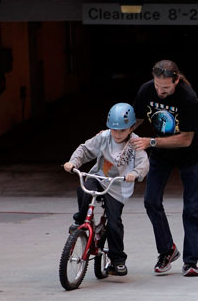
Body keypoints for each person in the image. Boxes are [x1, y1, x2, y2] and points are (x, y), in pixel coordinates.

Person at [131, 59, 198, 276]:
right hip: (162, 155)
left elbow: (186, 139)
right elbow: (135, 120)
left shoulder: (187, 97)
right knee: (151, 201)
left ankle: (191, 262)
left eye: (165, 87)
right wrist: (113, 133)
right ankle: (167, 250)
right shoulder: (146, 90)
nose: (160, 91)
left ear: (176, 81)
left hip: (190, 156)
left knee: (192, 208)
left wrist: (150, 142)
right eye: (157, 85)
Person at [63, 103, 149, 276]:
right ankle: (80, 220)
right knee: (84, 189)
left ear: (131, 128)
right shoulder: (104, 137)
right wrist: (73, 162)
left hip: (118, 186)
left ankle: (117, 260)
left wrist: (135, 173)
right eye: (114, 130)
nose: (117, 134)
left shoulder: (135, 143)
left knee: (114, 221)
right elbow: (85, 149)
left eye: (122, 131)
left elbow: (143, 163)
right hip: (99, 178)